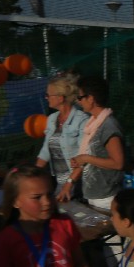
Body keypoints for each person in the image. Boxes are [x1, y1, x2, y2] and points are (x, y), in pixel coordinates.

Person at [69, 75, 126, 211]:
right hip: (94, 196)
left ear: (91, 98)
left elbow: (118, 163)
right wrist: (69, 182)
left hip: (107, 198)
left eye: (80, 97)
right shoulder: (92, 124)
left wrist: (85, 158)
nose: (78, 101)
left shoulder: (108, 126)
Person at [35, 72, 89, 202]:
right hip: (61, 183)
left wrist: (69, 184)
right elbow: (45, 151)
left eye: (48, 95)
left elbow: (84, 156)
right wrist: (32, 174)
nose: (46, 98)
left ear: (60, 98)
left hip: (80, 183)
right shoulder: (51, 119)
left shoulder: (82, 120)